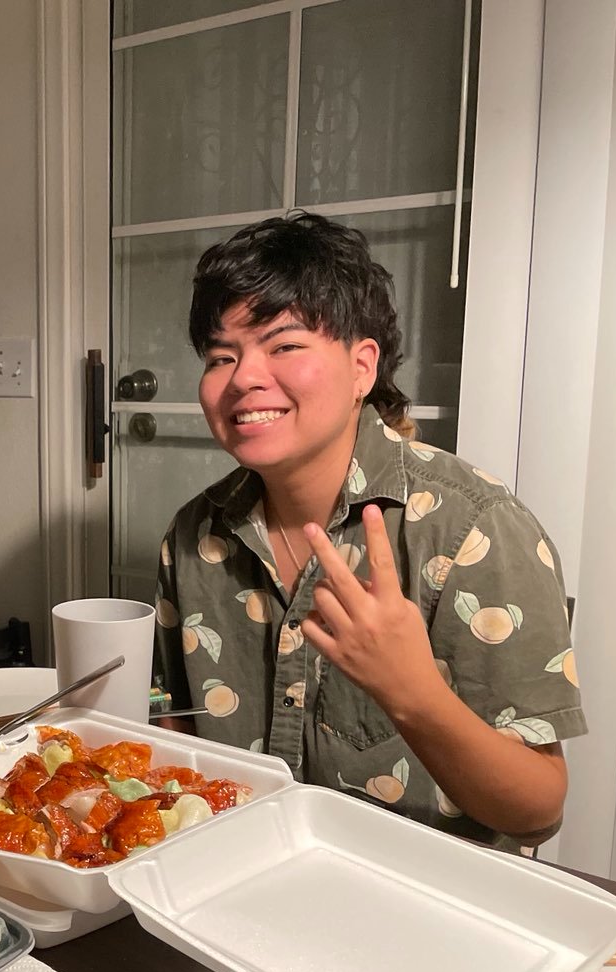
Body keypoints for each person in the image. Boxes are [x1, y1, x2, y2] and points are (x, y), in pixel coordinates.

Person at [154, 212, 581, 852]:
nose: (244, 377)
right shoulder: (196, 535)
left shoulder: (472, 528)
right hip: (237, 887)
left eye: (284, 345)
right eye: (221, 356)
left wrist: (414, 694)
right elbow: (176, 741)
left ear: (362, 368)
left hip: (424, 906)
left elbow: (536, 810)